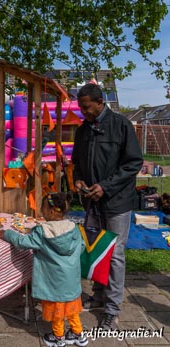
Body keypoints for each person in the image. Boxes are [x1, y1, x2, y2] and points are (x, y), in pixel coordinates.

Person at [71, 83, 143, 330]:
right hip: (92, 200)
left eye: (86, 107)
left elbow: (133, 163)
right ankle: (99, 295)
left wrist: (106, 186)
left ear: (100, 102)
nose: (83, 112)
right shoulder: (83, 130)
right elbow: (76, 163)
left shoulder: (121, 125)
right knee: (95, 250)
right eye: (81, 107)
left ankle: (113, 309)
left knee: (115, 256)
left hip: (117, 201)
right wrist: (78, 180)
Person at [0, 192, 88, 347]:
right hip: (71, 279)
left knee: (57, 311)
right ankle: (78, 333)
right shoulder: (74, 229)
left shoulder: (42, 232)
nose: (41, 211)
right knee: (72, 308)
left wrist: (7, 234)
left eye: (43, 208)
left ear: (52, 212)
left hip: (53, 281)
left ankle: (58, 337)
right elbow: (81, 247)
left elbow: (22, 242)